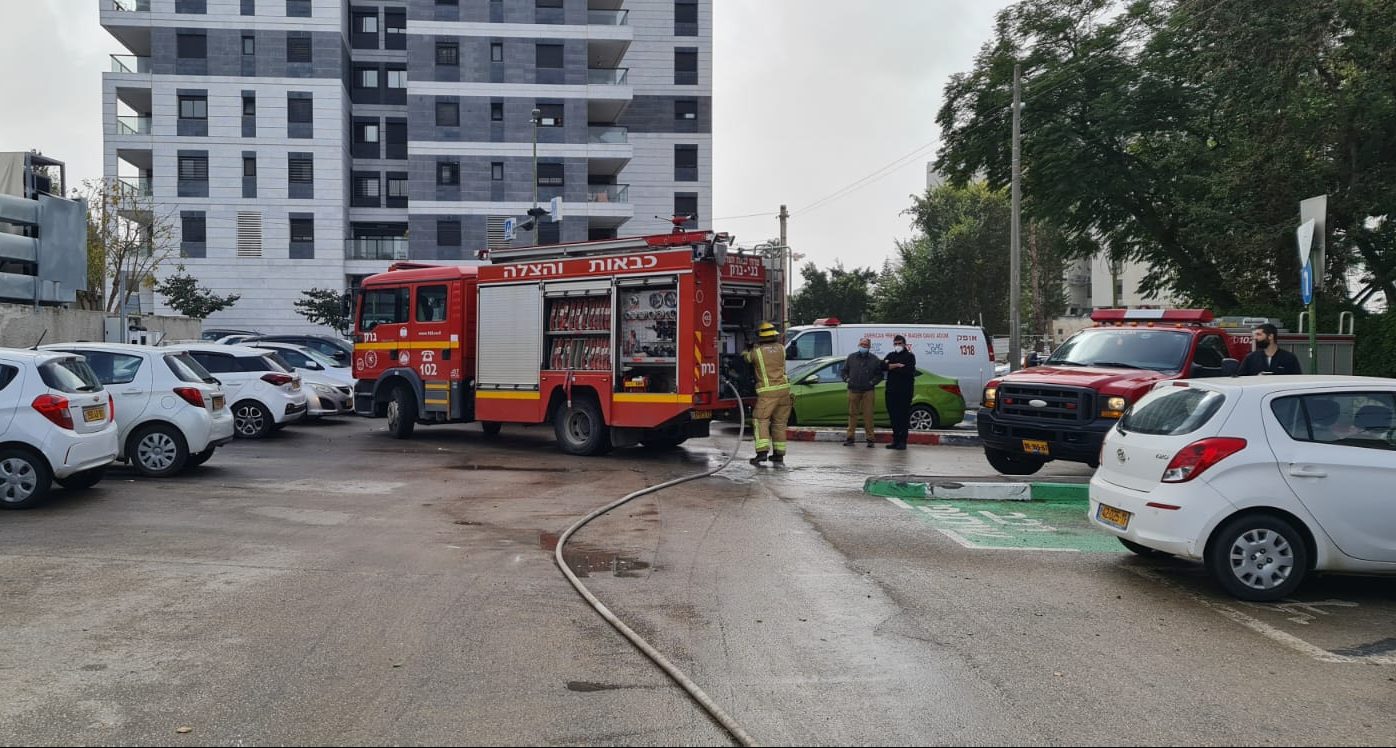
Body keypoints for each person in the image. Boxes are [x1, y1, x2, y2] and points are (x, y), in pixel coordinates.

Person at [743, 322, 792, 466]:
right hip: (784, 391)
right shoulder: (782, 349)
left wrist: (746, 348)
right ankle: (778, 455)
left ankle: (762, 453)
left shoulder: (757, 352)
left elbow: (746, 358)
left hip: (768, 393)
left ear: (761, 337)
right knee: (779, 423)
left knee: (761, 420)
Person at [842, 337, 883, 447]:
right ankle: (850, 438)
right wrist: (847, 379)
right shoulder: (851, 357)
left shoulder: (874, 359)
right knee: (852, 414)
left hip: (868, 391)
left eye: (865, 345)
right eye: (862, 344)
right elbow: (844, 371)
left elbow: (879, 375)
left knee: (868, 415)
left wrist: (872, 383)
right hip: (853, 389)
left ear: (869, 347)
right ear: (858, 345)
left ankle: (870, 439)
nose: (863, 347)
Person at [882, 334, 916, 450]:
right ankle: (895, 440)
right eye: (895, 344)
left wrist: (891, 367)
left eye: (899, 343)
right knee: (893, 417)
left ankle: (903, 441)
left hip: (904, 392)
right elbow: (882, 366)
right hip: (891, 391)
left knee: (903, 416)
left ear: (904, 344)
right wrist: (896, 365)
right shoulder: (891, 355)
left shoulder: (910, 356)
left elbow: (908, 370)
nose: (897, 346)